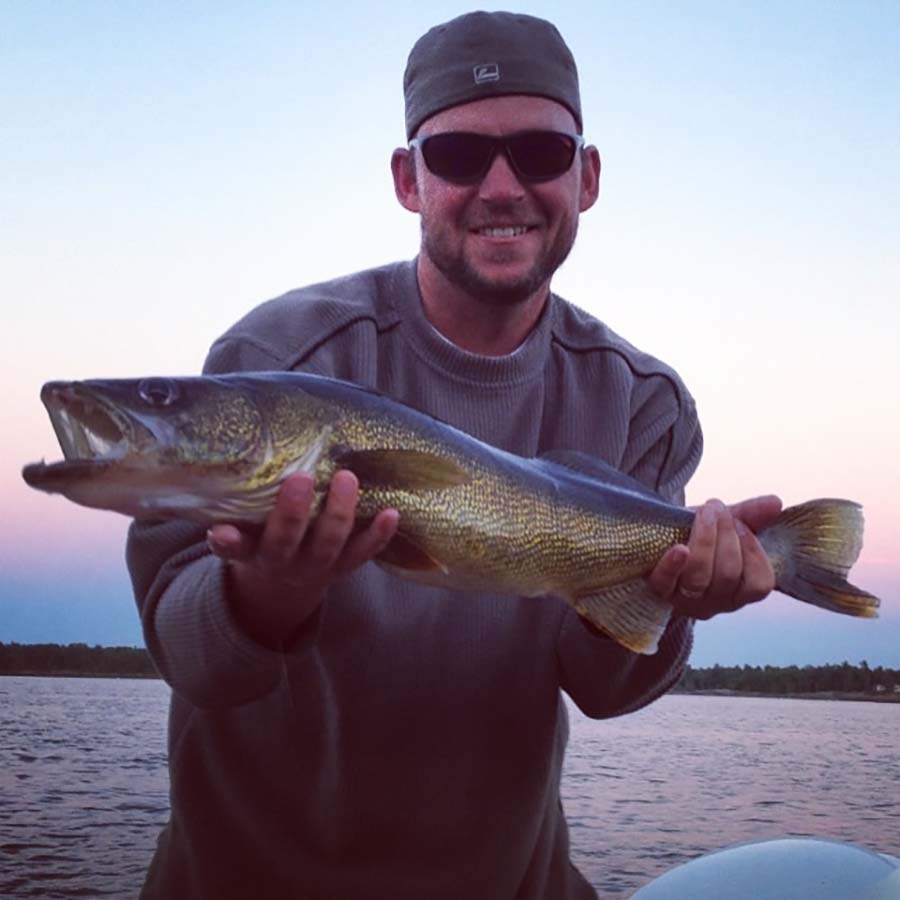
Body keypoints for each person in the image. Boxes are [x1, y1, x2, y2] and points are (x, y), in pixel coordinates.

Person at [127, 11, 781, 899]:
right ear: (409, 179)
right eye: (460, 155)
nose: (502, 186)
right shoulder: (275, 360)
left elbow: (607, 685)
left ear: (587, 178)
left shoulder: (643, 402)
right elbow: (192, 656)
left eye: (542, 154)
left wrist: (677, 604)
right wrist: (264, 596)